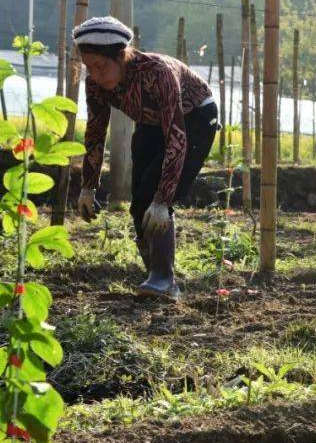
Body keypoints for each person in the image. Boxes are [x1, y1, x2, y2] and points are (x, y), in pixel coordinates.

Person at [74, 16, 219, 301]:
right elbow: (95, 132)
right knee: (139, 201)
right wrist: (88, 185)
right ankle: (156, 274)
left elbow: (177, 136)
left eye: (101, 66)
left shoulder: (157, 73)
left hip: (194, 118)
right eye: (89, 67)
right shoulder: (95, 84)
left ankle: (165, 279)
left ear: (121, 56)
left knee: (155, 194)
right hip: (150, 121)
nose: (97, 75)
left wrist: (164, 200)